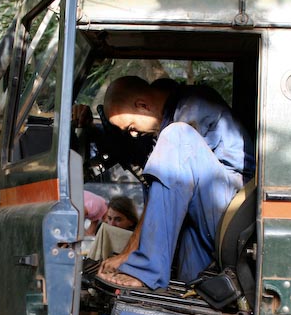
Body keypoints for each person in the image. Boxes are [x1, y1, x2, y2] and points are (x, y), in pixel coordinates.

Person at [97, 76, 254, 291]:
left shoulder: (191, 109)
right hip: (208, 214)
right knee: (190, 287)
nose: (133, 134)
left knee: (175, 136)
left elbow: (169, 177)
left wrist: (129, 252)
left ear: (143, 105)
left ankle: (146, 271)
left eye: (131, 127)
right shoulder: (171, 115)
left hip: (238, 210)